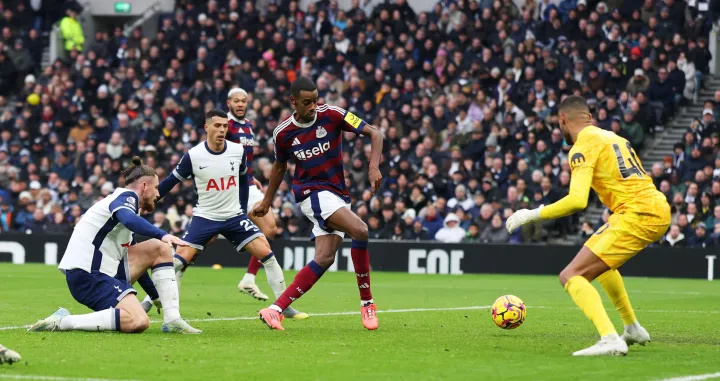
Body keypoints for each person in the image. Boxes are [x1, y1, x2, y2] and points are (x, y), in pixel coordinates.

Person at [506, 95, 670, 356]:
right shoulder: (614, 137)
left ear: (562, 120)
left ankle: (609, 338)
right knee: (603, 264)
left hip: (637, 212)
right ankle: (632, 328)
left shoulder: (583, 145)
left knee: (571, 275)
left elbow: (578, 200)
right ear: (589, 117)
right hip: (652, 207)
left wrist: (531, 214)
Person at [253, 76, 384, 331]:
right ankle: (367, 303)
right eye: (306, 102)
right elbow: (280, 166)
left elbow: (375, 133)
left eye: (315, 100)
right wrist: (267, 201)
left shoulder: (333, 114)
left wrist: (374, 166)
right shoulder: (283, 133)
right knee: (360, 230)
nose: (313, 106)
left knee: (324, 258)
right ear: (293, 102)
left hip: (337, 193)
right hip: (311, 194)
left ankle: (274, 310)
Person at [156, 109, 306, 320]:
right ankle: (149, 300)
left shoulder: (237, 151)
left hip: (233, 216)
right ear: (207, 127)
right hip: (205, 217)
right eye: (217, 126)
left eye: (225, 126)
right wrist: (151, 200)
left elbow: (244, 181)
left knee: (267, 252)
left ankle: (283, 305)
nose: (222, 130)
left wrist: (242, 209)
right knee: (180, 260)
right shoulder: (194, 155)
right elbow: (171, 181)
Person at [29, 157, 200, 334]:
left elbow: (138, 264)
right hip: (88, 275)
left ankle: (172, 319)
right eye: (156, 188)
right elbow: (128, 219)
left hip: (102, 273)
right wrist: (163, 234)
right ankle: (63, 321)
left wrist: (155, 296)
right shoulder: (125, 198)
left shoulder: (128, 213)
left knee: (159, 248)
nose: (158, 194)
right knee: (138, 321)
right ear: (143, 187)